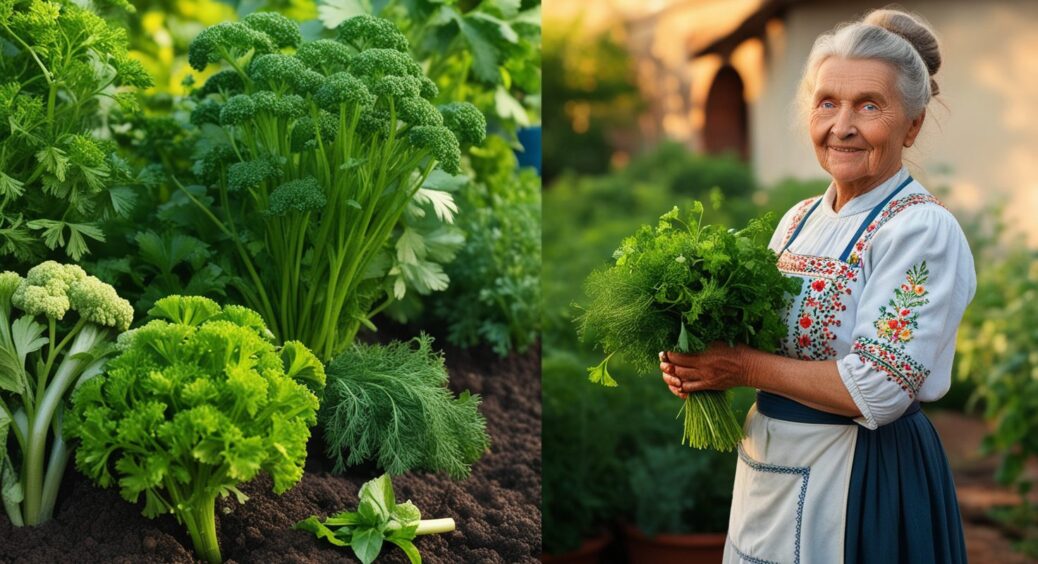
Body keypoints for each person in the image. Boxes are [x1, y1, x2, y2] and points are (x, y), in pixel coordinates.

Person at [659, 8, 975, 564]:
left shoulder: (920, 229)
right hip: (768, 468)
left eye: (869, 106)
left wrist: (741, 367)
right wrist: (698, 365)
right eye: (827, 102)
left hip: (862, 478)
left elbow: (879, 387)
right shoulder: (799, 218)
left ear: (913, 124)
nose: (842, 126)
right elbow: (756, 342)